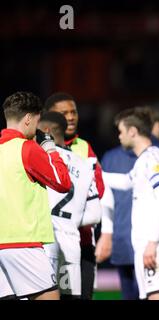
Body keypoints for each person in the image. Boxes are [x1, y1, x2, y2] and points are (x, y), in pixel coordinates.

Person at [0, 92, 71, 300]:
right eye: (37, 122)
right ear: (29, 118)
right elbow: (63, 181)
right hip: (24, 244)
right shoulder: (27, 148)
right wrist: (50, 148)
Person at [102, 108, 159, 300]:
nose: (119, 136)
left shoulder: (153, 159)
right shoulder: (145, 159)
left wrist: (153, 242)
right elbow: (126, 181)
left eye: (121, 131)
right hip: (148, 245)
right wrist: (93, 172)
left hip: (156, 245)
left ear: (132, 131)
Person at [44, 92, 105, 299]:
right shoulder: (37, 148)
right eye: (63, 113)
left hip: (83, 241)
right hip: (47, 242)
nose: (70, 117)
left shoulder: (84, 147)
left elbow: (100, 189)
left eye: (73, 112)